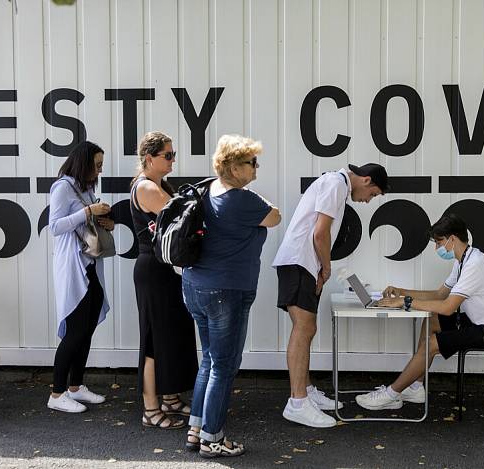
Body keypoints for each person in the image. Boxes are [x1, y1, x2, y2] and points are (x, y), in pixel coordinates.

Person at [355, 214, 484, 411]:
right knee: (433, 319)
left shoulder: (475, 264)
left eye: (439, 242)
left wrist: (405, 302)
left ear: (452, 239)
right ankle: (416, 386)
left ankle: (390, 394)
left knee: (433, 343)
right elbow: (440, 294)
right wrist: (402, 292)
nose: (437, 248)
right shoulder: (463, 260)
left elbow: (448, 307)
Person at [182, 135, 281, 458]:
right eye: (252, 163)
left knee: (209, 359)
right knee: (224, 366)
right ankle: (212, 438)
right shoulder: (242, 199)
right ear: (234, 167)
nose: (256, 168)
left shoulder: (207, 190)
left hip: (196, 285)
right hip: (228, 290)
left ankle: (197, 429)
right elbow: (275, 217)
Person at [272, 162, 387, 428]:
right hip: (300, 262)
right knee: (304, 328)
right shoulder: (336, 184)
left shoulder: (337, 185)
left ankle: (306, 391)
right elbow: (320, 232)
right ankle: (297, 402)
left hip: (303, 264)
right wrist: (326, 267)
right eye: (373, 194)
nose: (369, 201)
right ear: (366, 180)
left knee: (306, 329)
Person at [130, 131, 199, 430]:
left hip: (165, 269)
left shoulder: (161, 186)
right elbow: (184, 217)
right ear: (149, 158)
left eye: (173, 155)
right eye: (167, 155)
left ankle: (170, 397)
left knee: (173, 335)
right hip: (153, 271)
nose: (172, 160)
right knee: (154, 341)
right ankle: (150, 408)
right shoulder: (146, 188)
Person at [47, 141, 114, 413]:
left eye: (100, 166)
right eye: (96, 166)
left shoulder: (85, 188)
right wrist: (88, 212)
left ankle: (75, 386)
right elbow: (55, 226)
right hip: (73, 266)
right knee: (75, 331)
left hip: (90, 265)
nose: (98, 172)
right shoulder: (63, 187)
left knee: (87, 328)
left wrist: (104, 221)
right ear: (83, 163)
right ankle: (56, 392)